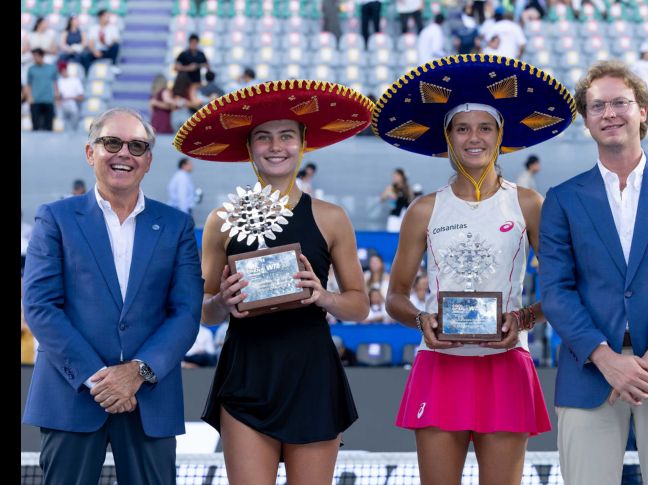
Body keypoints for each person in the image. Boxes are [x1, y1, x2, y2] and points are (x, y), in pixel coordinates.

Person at [374, 55, 572, 485]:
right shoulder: (423, 209)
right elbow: (395, 297)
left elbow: (562, 288)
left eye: (485, 127)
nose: (474, 138)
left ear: (502, 135)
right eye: (462, 128)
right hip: (439, 364)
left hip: (505, 363)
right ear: (447, 137)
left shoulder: (529, 204)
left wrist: (523, 319)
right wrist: (422, 319)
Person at [173, 79, 374, 484]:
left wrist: (323, 296)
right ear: (249, 148)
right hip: (246, 372)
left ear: (303, 142)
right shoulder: (221, 220)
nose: (276, 146)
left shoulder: (331, 216)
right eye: (263, 137)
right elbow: (204, 313)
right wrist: (221, 303)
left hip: (311, 373)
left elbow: (360, 305)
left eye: (286, 135)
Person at [538, 59, 648, 485]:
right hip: (589, 373)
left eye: (620, 102)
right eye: (597, 106)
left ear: (643, 111)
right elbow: (556, 291)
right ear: (585, 119)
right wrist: (606, 358)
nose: (609, 113)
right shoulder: (562, 199)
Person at [22, 107, 203, 485]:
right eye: (112, 142)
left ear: (149, 161)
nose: (125, 153)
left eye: (137, 146)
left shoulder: (176, 225)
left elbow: (186, 313)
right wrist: (99, 379)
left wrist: (137, 373)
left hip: (148, 399)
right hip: (71, 397)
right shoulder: (55, 218)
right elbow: (40, 306)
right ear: (91, 153)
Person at [24, 48, 59, 131]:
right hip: (35, 100)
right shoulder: (31, 69)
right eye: (33, 56)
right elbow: (29, 85)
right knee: (35, 127)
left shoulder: (51, 68)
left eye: (36, 56)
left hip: (48, 99)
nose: (34, 58)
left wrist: (56, 95)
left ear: (41, 56)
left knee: (49, 127)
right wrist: (29, 97)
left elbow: (55, 83)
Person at [82, 9, 121, 74]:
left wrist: (106, 43)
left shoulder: (113, 28)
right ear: (101, 17)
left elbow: (115, 41)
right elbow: (90, 43)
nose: (108, 18)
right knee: (85, 55)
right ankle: (87, 73)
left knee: (116, 46)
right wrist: (95, 51)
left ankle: (113, 65)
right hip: (97, 51)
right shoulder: (93, 28)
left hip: (108, 50)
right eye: (106, 16)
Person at [381, 168, 414, 232]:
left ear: (401, 177)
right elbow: (382, 199)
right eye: (393, 176)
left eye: (396, 176)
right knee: (392, 234)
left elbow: (411, 200)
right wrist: (388, 194)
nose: (394, 178)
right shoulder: (391, 188)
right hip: (395, 216)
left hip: (405, 217)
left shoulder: (408, 188)